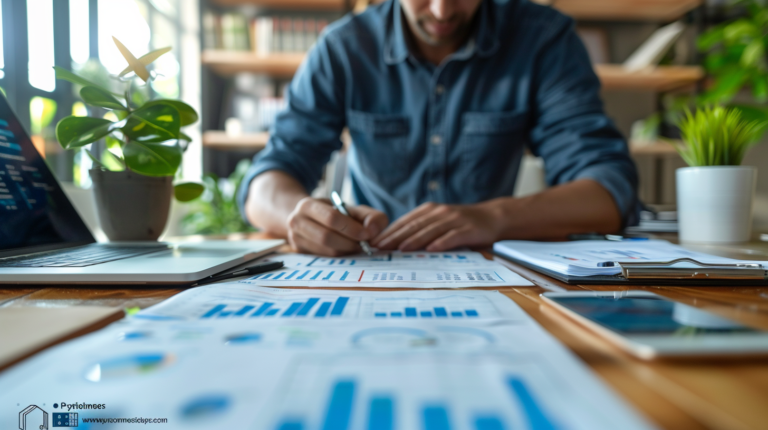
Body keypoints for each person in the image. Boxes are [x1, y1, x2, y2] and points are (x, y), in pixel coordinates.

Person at [238, 0, 639, 256]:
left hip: (493, 275)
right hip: (365, 266)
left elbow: (607, 193)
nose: (442, 11)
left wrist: (493, 217)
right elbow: (266, 184)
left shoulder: (543, 40)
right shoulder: (343, 47)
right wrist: (299, 214)